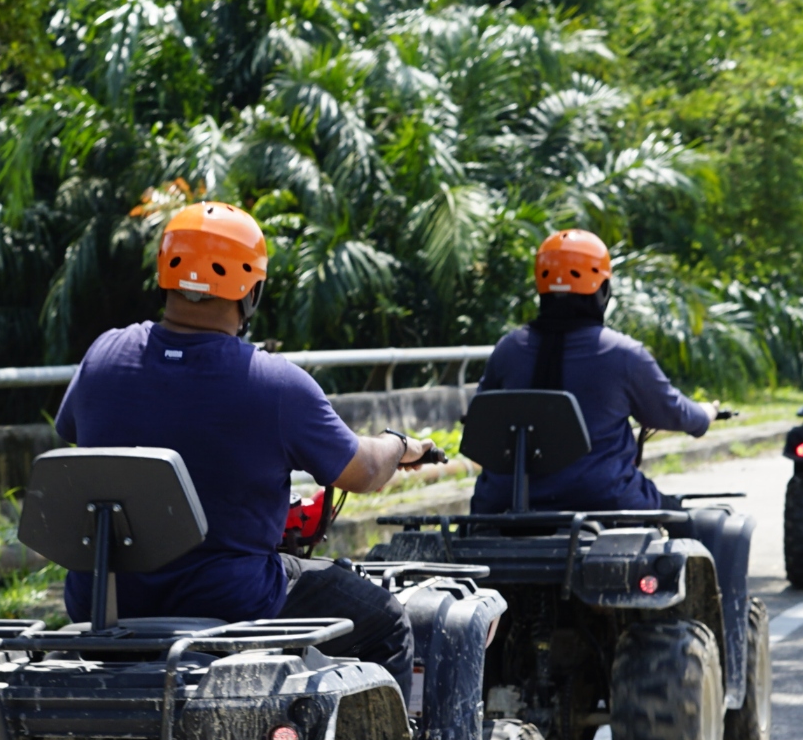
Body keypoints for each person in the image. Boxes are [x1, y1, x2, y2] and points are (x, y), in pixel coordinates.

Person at [51, 201, 434, 685]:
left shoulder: (103, 355)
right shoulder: (274, 384)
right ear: (251, 292)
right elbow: (364, 471)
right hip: (231, 603)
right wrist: (399, 444)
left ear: (166, 274)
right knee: (385, 620)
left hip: (103, 603)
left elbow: (76, 432)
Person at [468, 230, 717, 514]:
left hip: (503, 504)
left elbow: (481, 422)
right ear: (603, 289)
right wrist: (705, 414)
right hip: (602, 500)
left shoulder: (508, 349)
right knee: (688, 521)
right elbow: (673, 411)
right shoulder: (624, 354)